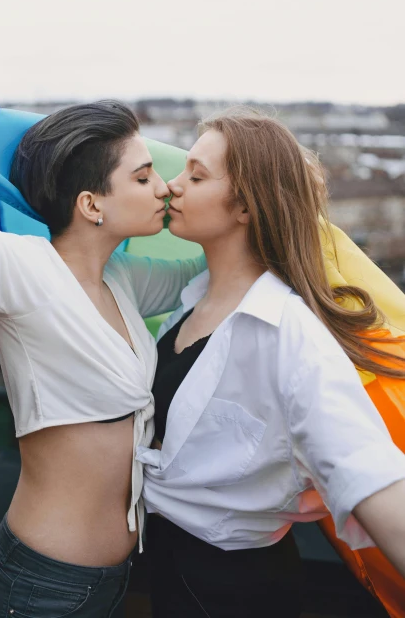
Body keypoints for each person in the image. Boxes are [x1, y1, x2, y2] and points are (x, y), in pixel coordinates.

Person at [0, 100, 205, 618]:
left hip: (103, 586)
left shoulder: (120, 281)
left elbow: (210, 268)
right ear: (91, 204)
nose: (163, 188)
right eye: (144, 178)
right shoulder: (24, 273)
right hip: (33, 591)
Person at [137, 107, 405, 618]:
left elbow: (369, 473)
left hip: (236, 592)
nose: (172, 186)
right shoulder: (191, 300)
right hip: (174, 574)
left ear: (245, 207)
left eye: (195, 175)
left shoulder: (289, 333)